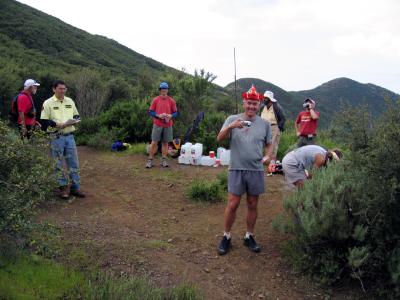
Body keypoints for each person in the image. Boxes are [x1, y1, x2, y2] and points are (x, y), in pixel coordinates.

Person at [217, 85, 272, 255]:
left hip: (255, 169)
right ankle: (226, 236)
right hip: (236, 168)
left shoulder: (264, 124)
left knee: (252, 203)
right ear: (244, 103)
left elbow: (269, 144)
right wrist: (231, 127)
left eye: (255, 104)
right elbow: (219, 139)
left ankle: (249, 236)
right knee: (233, 203)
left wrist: (268, 156)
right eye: (249, 103)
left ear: (258, 105)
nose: (251, 107)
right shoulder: (232, 119)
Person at [40, 80, 85, 200]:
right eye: (60, 89)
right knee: (58, 164)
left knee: (73, 163)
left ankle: (75, 187)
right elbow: (44, 121)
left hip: (69, 136)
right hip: (56, 137)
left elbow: (77, 116)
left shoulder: (69, 101)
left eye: (64, 89)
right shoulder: (48, 103)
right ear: (54, 89)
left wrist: (74, 121)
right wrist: (57, 124)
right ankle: (63, 188)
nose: (62, 91)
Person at [146, 82, 178, 168]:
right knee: (154, 142)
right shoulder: (155, 100)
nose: (164, 91)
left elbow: (175, 113)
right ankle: (150, 160)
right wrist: (158, 115)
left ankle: (164, 160)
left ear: (167, 90)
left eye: (165, 89)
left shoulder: (171, 101)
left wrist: (170, 115)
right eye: (162, 89)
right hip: (157, 124)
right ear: (160, 90)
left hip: (168, 125)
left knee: (165, 143)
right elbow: (151, 111)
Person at [260, 90, 286, 166]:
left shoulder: (276, 107)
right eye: (264, 98)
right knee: (265, 143)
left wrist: (279, 127)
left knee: (273, 145)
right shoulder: (263, 107)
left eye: (266, 98)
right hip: (264, 127)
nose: (264, 99)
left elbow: (283, 118)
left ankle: (272, 162)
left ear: (270, 99)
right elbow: (259, 115)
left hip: (274, 127)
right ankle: (266, 160)